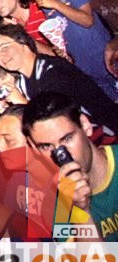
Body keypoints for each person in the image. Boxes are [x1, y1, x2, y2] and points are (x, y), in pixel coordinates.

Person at [23, 92, 118, 241]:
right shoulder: (53, 209)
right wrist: (80, 212)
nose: (62, 155)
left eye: (67, 138)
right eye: (46, 146)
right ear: (34, 148)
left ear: (85, 125)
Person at [0, 24, 118, 127]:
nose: (0, 56)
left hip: (107, 134)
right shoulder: (24, 81)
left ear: (23, 43)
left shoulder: (53, 71)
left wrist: (20, 103)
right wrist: (5, 109)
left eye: (4, 48)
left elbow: (56, 124)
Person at [22, 0, 115, 96]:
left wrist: (56, 4)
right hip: (83, 64)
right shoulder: (45, 3)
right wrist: (61, 49)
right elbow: (63, 29)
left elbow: (88, 20)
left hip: (103, 55)